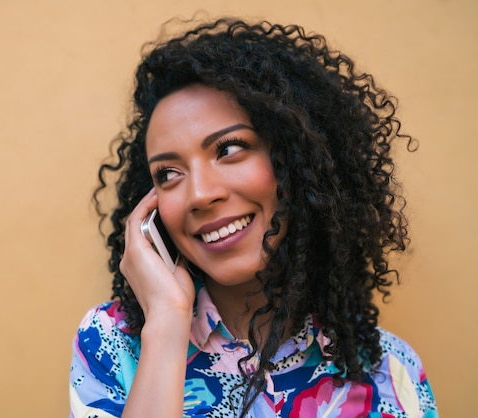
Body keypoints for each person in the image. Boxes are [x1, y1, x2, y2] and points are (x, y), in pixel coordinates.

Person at [69, 18, 438, 417]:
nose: (200, 194)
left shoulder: (391, 371)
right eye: (169, 174)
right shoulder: (110, 343)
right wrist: (165, 328)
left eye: (228, 149)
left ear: (297, 161)